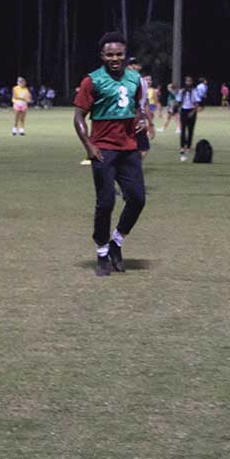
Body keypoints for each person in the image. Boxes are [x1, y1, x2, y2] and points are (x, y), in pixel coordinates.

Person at [72, 32, 147, 277]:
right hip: (103, 148)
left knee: (137, 199)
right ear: (102, 56)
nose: (115, 58)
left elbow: (138, 108)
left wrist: (142, 121)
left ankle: (117, 242)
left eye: (119, 54)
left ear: (125, 55)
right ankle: (102, 252)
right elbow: (78, 117)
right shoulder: (92, 81)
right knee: (106, 203)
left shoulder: (135, 79)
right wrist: (89, 146)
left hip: (128, 148)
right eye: (109, 54)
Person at [130, 60, 155, 159]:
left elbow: (145, 104)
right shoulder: (139, 82)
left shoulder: (142, 83)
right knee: (140, 148)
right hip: (131, 119)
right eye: (130, 65)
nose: (131, 67)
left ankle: (133, 168)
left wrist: (150, 123)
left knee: (142, 147)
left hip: (138, 119)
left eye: (134, 64)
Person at [177, 75, 201, 161]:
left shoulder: (194, 91)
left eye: (190, 81)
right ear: (185, 82)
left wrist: (193, 112)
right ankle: (182, 147)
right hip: (184, 111)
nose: (188, 83)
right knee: (183, 130)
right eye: (187, 81)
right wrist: (179, 111)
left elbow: (196, 103)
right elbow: (179, 102)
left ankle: (189, 146)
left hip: (191, 111)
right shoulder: (182, 91)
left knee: (190, 130)